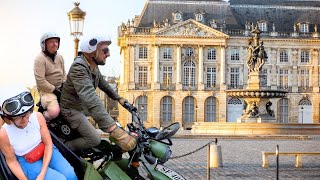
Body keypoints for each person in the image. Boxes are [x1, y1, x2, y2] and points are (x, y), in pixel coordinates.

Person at [60, 34, 136, 152]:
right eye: (105, 51)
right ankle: (63, 149)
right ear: (92, 53)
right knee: (94, 139)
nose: (108, 54)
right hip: (72, 109)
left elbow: (103, 84)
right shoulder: (79, 68)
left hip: (81, 107)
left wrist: (118, 98)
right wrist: (113, 129)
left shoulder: (92, 65)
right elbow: (90, 98)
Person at [0, 85, 77, 180]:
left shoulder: (38, 117)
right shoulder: (4, 134)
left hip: (45, 149)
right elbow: (12, 162)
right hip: (27, 160)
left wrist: (43, 173)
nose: (25, 120)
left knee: (71, 175)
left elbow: (48, 144)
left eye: (27, 114)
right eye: (18, 117)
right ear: (7, 119)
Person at [34, 32, 66, 121]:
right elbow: (40, 82)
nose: (55, 44)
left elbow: (63, 74)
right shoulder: (39, 59)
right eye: (51, 42)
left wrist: (64, 86)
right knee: (54, 111)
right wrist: (55, 90)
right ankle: (42, 118)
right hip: (47, 91)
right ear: (44, 44)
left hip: (60, 89)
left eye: (56, 41)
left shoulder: (60, 57)